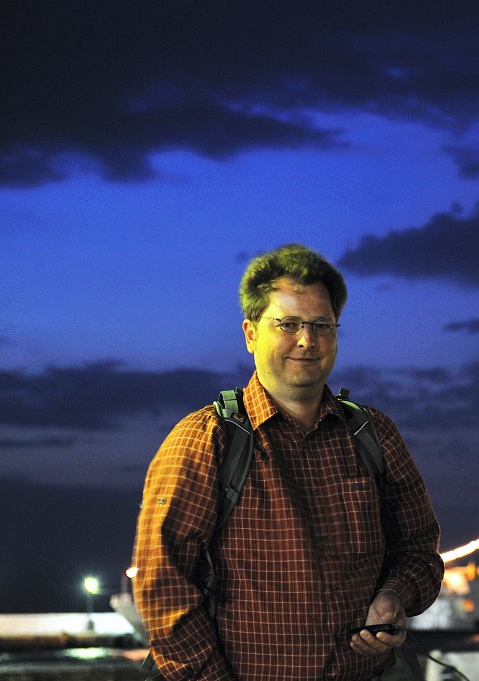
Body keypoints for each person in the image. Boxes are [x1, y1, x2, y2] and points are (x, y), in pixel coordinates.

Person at [133, 243, 444, 681]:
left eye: (321, 325)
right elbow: (163, 584)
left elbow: (419, 549)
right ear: (250, 333)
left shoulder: (373, 435)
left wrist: (396, 594)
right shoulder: (205, 439)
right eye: (288, 324)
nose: (307, 340)